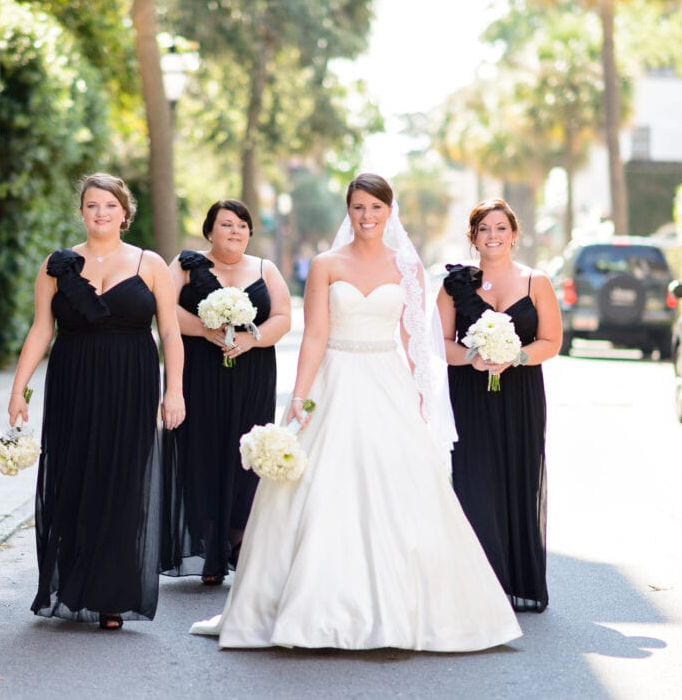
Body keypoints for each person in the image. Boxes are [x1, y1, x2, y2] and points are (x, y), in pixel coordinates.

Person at [192, 173, 522, 651]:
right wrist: (299, 399)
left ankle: (409, 607)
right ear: (348, 212)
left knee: (400, 484)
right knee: (317, 486)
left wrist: (422, 395)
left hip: (386, 380)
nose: (368, 216)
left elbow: (413, 339)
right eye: (359, 207)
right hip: (335, 377)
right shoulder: (327, 264)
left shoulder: (406, 267)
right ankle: (303, 605)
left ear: (390, 212)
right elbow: (316, 336)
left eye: (376, 207)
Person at [8, 172, 185, 631]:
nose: (101, 212)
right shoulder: (57, 264)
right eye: (92, 205)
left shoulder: (150, 264)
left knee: (122, 478)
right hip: (72, 382)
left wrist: (175, 390)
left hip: (131, 383)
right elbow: (41, 330)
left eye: (109, 205)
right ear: (82, 212)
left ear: (125, 213)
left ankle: (112, 596)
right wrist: (19, 390)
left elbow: (169, 331)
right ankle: (73, 586)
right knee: (74, 476)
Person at [436, 198, 562, 612]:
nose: (493, 236)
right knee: (473, 482)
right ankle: (475, 584)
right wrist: (473, 358)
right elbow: (439, 346)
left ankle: (515, 579)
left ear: (514, 234)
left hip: (521, 394)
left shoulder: (536, 281)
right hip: (468, 396)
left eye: (500, 228)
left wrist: (516, 356)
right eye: (484, 229)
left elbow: (551, 342)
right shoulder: (455, 283)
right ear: (473, 237)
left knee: (517, 480)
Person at [159, 200, 292, 585]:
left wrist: (253, 341)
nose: (235, 232)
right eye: (226, 225)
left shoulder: (265, 269)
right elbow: (163, 311)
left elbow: (283, 317)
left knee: (246, 455)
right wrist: (204, 329)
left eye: (242, 226)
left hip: (252, 376)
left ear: (249, 232)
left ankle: (240, 541)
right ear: (210, 230)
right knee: (201, 452)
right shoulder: (184, 266)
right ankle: (209, 545)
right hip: (199, 374)